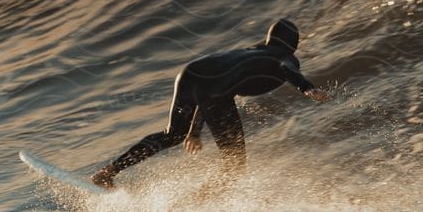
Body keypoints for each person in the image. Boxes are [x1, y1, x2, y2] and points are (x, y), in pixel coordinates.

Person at [92, 17, 323, 187]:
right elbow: (286, 69)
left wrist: (193, 130)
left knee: (172, 134)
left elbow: (212, 85)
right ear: (293, 44)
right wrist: (307, 89)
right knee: (235, 165)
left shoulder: (251, 51)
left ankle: (107, 172)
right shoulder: (283, 57)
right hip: (212, 89)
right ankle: (195, 206)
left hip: (191, 73)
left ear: (270, 37)